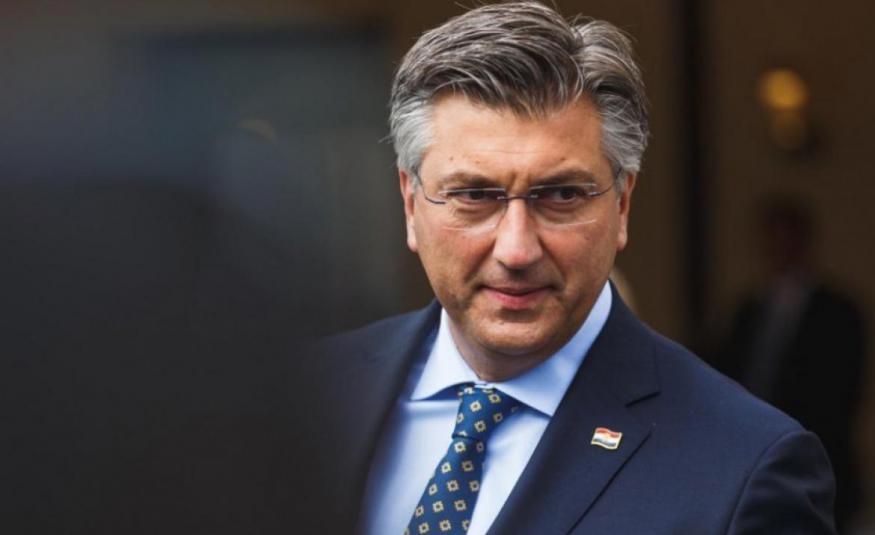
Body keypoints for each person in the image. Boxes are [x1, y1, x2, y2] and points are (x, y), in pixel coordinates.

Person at [299, 2, 837, 533]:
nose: (516, 250)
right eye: (473, 196)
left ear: (622, 205)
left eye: (561, 195)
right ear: (410, 203)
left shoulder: (743, 468)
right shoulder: (301, 398)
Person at [718, 197, 865, 531]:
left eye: (787, 237)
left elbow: (843, 392)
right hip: (751, 454)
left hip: (821, 454)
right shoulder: (748, 310)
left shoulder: (838, 310)